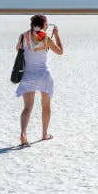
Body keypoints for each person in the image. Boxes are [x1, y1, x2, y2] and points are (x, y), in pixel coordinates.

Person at [15, 14, 63, 147]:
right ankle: (44, 134)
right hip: (43, 75)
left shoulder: (23, 36)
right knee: (46, 105)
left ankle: (23, 134)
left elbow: (18, 50)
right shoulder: (46, 38)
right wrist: (57, 35)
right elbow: (60, 51)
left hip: (28, 75)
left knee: (27, 108)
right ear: (44, 25)